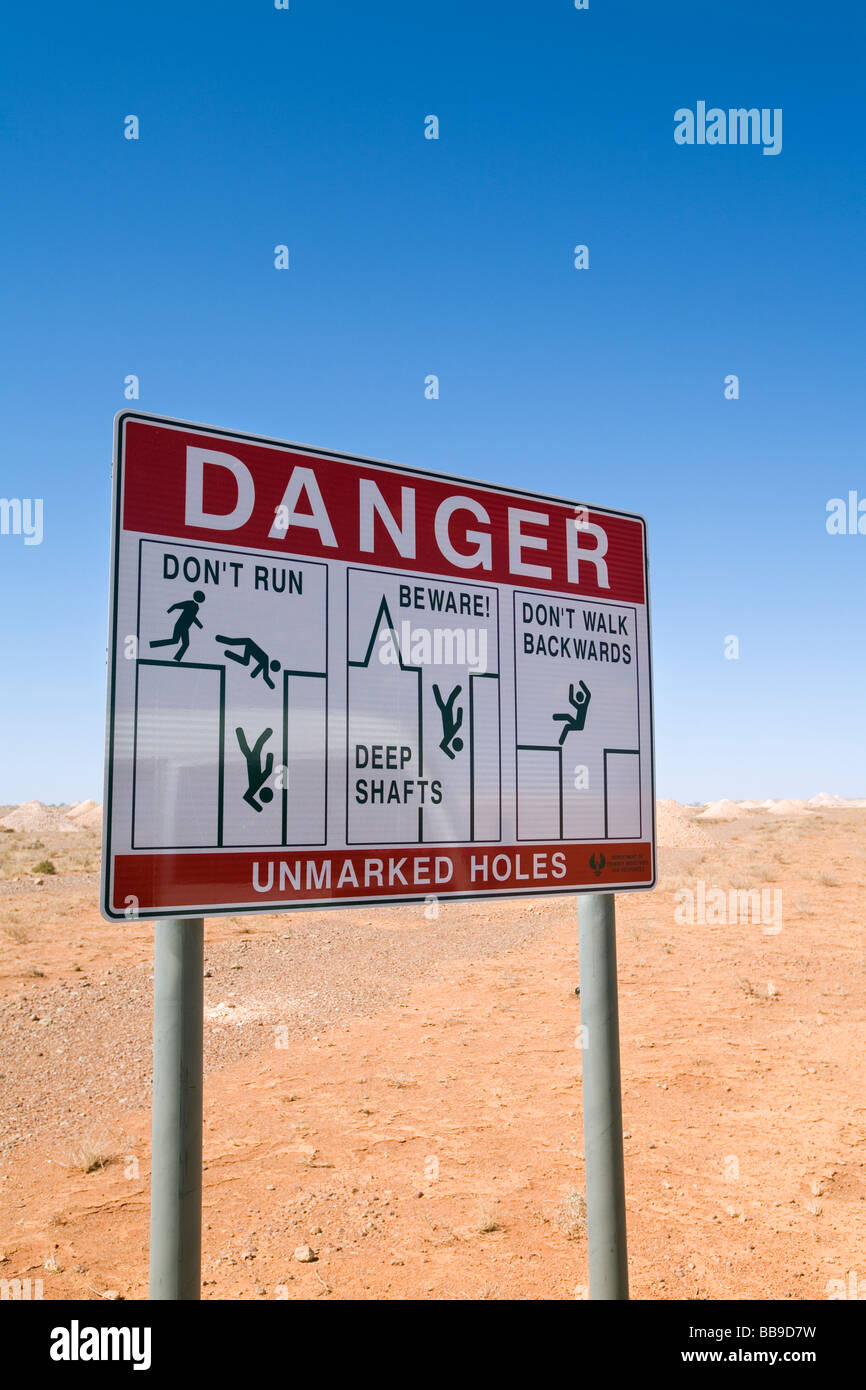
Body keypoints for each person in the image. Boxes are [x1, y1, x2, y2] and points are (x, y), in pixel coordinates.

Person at [149, 590, 205, 662]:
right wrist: (167, 612)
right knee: (182, 643)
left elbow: (192, 617)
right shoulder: (189, 603)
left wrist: (200, 625)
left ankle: (175, 658)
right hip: (180, 626)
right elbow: (175, 605)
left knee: (178, 642)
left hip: (185, 627)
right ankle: (154, 645)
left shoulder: (196, 607)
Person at [215, 634, 281, 690]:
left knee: (245, 661)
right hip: (248, 643)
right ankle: (219, 640)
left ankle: (227, 652)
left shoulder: (265, 660)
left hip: (248, 643)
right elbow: (265, 676)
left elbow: (257, 672)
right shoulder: (265, 660)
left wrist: (254, 674)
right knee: (232, 642)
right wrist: (272, 685)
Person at [235, 726, 275, 812]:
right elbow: (268, 771)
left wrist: (259, 808)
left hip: (252, 764)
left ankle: (239, 731)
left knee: (254, 746)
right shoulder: (256, 787)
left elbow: (268, 771)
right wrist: (270, 757)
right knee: (255, 746)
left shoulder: (254, 788)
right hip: (254, 763)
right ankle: (239, 731)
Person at [553, 680, 591, 744]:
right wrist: (571, 688)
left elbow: (588, 695)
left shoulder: (584, 705)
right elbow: (571, 700)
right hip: (577, 723)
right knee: (567, 717)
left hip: (579, 725)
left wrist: (581, 684)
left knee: (567, 726)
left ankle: (561, 742)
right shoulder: (579, 706)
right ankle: (555, 717)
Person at [433, 683, 464, 759]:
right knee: (447, 701)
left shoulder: (448, 738)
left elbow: (442, 746)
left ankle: (435, 687)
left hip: (446, 717)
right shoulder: (450, 736)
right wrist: (459, 711)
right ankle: (435, 687)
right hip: (448, 717)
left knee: (445, 702)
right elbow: (458, 723)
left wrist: (452, 756)